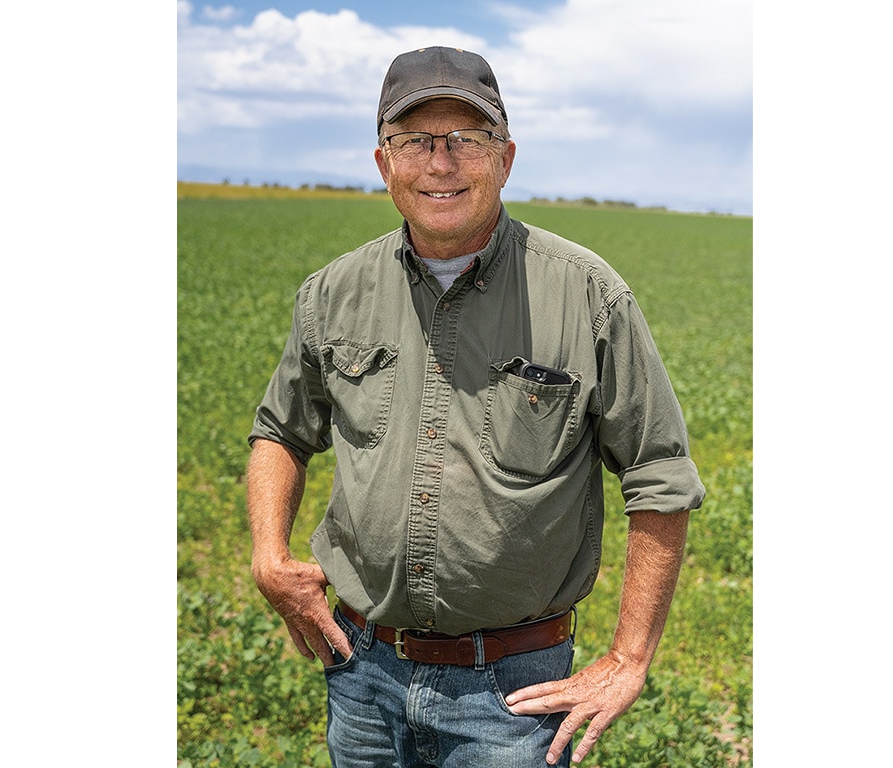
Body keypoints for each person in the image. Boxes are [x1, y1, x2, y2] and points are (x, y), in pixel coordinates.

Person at [246, 46, 706, 767]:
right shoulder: (332, 293)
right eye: (415, 142)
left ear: (506, 158)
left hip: (513, 694)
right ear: (383, 163)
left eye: (467, 140)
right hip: (360, 672)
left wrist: (629, 656)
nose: (440, 163)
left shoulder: (588, 297)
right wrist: (269, 556)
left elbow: (660, 475)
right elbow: (280, 430)